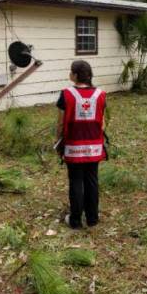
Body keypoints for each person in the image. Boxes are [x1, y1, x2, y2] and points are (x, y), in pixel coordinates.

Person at [56, 60, 106, 229]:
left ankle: (75, 220)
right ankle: (92, 218)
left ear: (75, 75)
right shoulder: (101, 94)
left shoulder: (66, 94)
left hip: (73, 146)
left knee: (76, 181)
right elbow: (103, 123)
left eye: (71, 71)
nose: (69, 74)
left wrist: (58, 143)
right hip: (94, 147)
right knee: (92, 180)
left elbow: (60, 124)